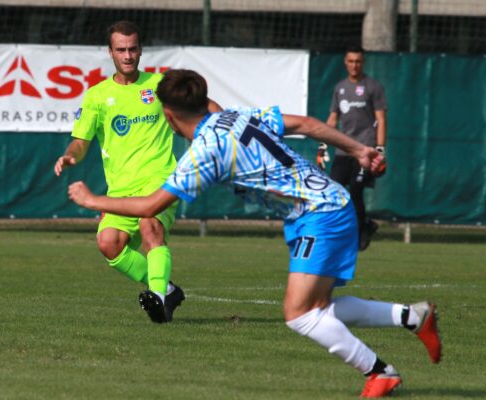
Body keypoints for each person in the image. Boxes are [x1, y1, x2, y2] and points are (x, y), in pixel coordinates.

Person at [67, 69, 441, 398]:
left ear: (167, 115)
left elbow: (150, 205)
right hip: (322, 205)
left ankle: (380, 372)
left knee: (298, 315)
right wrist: (359, 149)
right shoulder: (233, 118)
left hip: (319, 212)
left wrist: (91, 200)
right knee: (318, 309)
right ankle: (412, 317)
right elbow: (307, 125)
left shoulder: (205, 153)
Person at [54, 21, 189, 323]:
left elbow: (194, 111)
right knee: (109, 244)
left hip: (159, 181)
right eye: (121, 50)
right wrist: (69, 156)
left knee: (149, 227)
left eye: (133, 49)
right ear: (110, 52)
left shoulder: (159, 86)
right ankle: (167, 290)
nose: (128, 55)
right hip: (121, 190)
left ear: (140, 50)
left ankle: (158, 300)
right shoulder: (97, 96)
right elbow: (80, 141)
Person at [323, 45, 387, 251]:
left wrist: (380, 150)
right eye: (350, 61)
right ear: (345, 62)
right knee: (334, 192)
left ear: (363, 62)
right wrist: (322, 145)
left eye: (358, 61)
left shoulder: (373, 86)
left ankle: (361, 230)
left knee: (356, 191)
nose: (354, 65)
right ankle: (343, 231)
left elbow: (381, 120)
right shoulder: (340, 88)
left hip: (364, 151)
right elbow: (332, 119)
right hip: (343, 150)